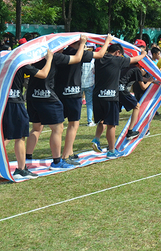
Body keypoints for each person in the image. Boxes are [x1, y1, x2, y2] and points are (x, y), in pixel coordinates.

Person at [25, 35, 88, 170]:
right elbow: (77, 58)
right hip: (47, 96)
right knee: (57, 129)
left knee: (36, 128)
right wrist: (82, 43)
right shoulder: (55, 56)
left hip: (32, 96)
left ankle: (27, 158)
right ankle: (57, 161)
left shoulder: (34, 56)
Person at [55, 35, 112, 165]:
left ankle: (65, 154)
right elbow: (100, 55)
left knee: (59, 126)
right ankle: (65, 155)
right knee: (73, 124)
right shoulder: (79, 52)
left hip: (59, 92)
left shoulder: (62, 53)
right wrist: (107, 41)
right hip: (74, 93)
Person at [91, 43, 147, 158]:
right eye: (120, 55)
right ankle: (111, 151)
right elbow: (135, 59)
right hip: (110, 96)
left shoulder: (98, 59)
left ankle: (96, 139)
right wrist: (144, 54)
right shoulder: (117, 60)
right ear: (117, 52)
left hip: (97, 96)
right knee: (111, 124)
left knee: (102, 120)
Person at [6, 50, 54, 180]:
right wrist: (49, 58)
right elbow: (43, 74)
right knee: (18, 136)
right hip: (16, 102)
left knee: (7, 134)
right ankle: (21, 169)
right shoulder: (21, 63)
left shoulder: (5, 62)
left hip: (3, 102)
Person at [81, 43, 96, 127]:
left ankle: (75, 120)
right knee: (89, 103)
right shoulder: (93, 60)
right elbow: (94, 71)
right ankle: (90, 121)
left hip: (79, 84)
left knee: (78, 103)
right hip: (90, 84)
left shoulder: (80, 59)